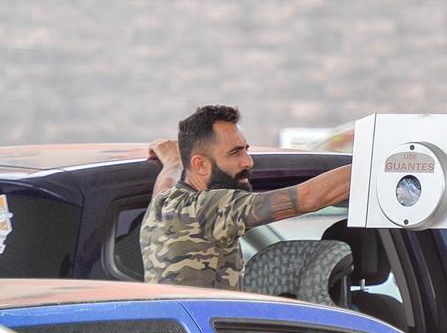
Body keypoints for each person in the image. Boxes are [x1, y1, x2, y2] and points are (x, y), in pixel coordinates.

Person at [141, 104, 352, 290]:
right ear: (200, 165)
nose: (248, 162)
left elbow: (166, 183)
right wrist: (377, 165)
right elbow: (308, 198)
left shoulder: (162, 204)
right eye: (235, 153)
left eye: (246, 150)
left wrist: (173, 161)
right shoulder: (210, 208)